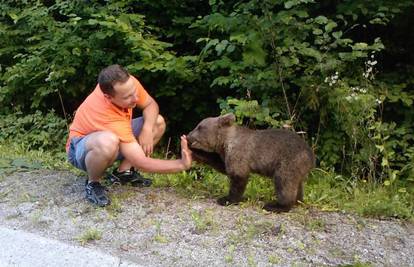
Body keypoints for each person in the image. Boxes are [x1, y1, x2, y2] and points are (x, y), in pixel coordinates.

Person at [66, 64, 192, 207]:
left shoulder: (126, 83)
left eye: (134, 92)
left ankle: (123, 173)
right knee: (107, 141)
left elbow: (150, 104)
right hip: (80, 149)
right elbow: (141, 162)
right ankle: (93, 183)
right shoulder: (106, 114)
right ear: (108, 97)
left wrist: (147, 128)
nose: (136, 98)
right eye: (128, 97)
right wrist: (180, 164)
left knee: (157, 121)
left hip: (110, 136)